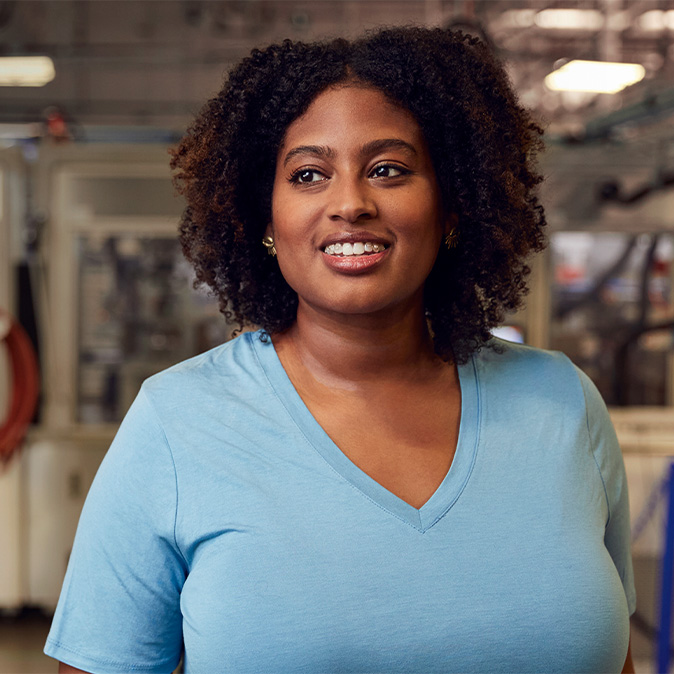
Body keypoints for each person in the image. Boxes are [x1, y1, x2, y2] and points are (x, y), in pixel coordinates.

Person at [45, 26, 636, 674]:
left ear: (453, 206)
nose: (350, 203)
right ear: (265, 219)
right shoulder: (177, 424)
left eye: (388, 169)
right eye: (308, 174)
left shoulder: (561, 405)